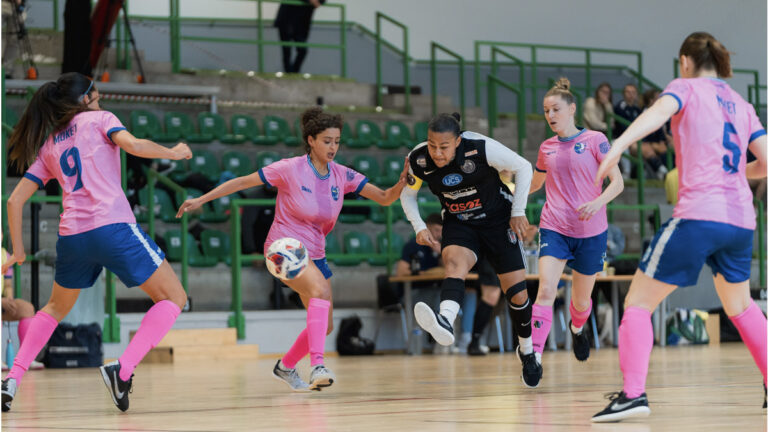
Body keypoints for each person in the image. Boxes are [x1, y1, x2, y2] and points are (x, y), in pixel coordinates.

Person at [591, 32, 767, 422]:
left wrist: (618, 144)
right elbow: (766, 162)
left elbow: (657, 114)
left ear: (685, 61)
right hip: (741, 220)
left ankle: (633, 394)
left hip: (700, 215)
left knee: (637, 303)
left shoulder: (684, 87)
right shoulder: (741, 103)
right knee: (740, 305)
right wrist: (739, 171)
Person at [177, 107, 408, 392]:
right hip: (282, 247)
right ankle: (318, 365)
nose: (333, 147)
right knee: (321, 292)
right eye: (327, 141)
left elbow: (384, 198)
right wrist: (201, 199)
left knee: (325, 327)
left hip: (315, 254)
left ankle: (285, 366)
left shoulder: (342, 175)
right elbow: (242, 182)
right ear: (311, 140)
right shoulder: (289, 168)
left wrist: (402, 183)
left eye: (336, 141)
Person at [1, 72, 191, 413]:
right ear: (85, 98)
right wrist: (173, 152)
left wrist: (17, 251)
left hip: (72, 236)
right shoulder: (102, 119)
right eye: (95, 89)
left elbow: (14, 201)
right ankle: (124, 368)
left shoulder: (50, 144)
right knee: (174, 297)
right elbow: (133, 146)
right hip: (112, 226)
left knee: (54, 309)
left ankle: (12, 379)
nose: (99, 93)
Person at [400, 112, 540, 387]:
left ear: (458, 141)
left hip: (498, 220)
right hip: (459, 222)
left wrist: (518, 211)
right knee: (453, 264)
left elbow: (524, 167)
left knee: (517, 294)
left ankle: (527, 350)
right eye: (432, 145)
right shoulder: (417, 159)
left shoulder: (480, 147)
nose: (437, 153)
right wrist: (419, 226)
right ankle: (446, 320)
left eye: (444, 147)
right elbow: (408, 195)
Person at [528, 78, 624, 386]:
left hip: (591, 231)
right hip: (554, 226)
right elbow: (536, 184)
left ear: (571, 109)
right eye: (546, 111)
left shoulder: (596, 140)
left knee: (582, 303)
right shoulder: (547, 148)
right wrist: (509, 193)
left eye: (556, 109)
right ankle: (534, 358)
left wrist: (598, 202)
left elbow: (617, 183)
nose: (550, 115)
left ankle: (577, 328)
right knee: (545, 291)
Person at [1, 248, 43, 371]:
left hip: (2, 302)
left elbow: (8, 285)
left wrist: (9, 300)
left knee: (27, 309)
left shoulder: (5, 255)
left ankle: (26, 358)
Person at [274, 0, 324, 74]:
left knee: (302, 50)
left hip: (301, 23)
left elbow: (319, 3)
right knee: (287, 50)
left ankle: (294, 72)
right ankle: (289, 73)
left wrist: (315, 2)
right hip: (286, 18)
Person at [638, 89, 671, 179]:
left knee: (665, 146)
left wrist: (661, 140)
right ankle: (662, 171)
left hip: (654, 141)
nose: (661, 101)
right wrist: (652, 143)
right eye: (658, 99)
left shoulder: (658, 113)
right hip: (644, 142)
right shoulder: (644, 114)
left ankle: (668, 171)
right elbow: (641, 132)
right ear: (651, 101)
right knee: (649, 148)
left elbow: (660, 131)